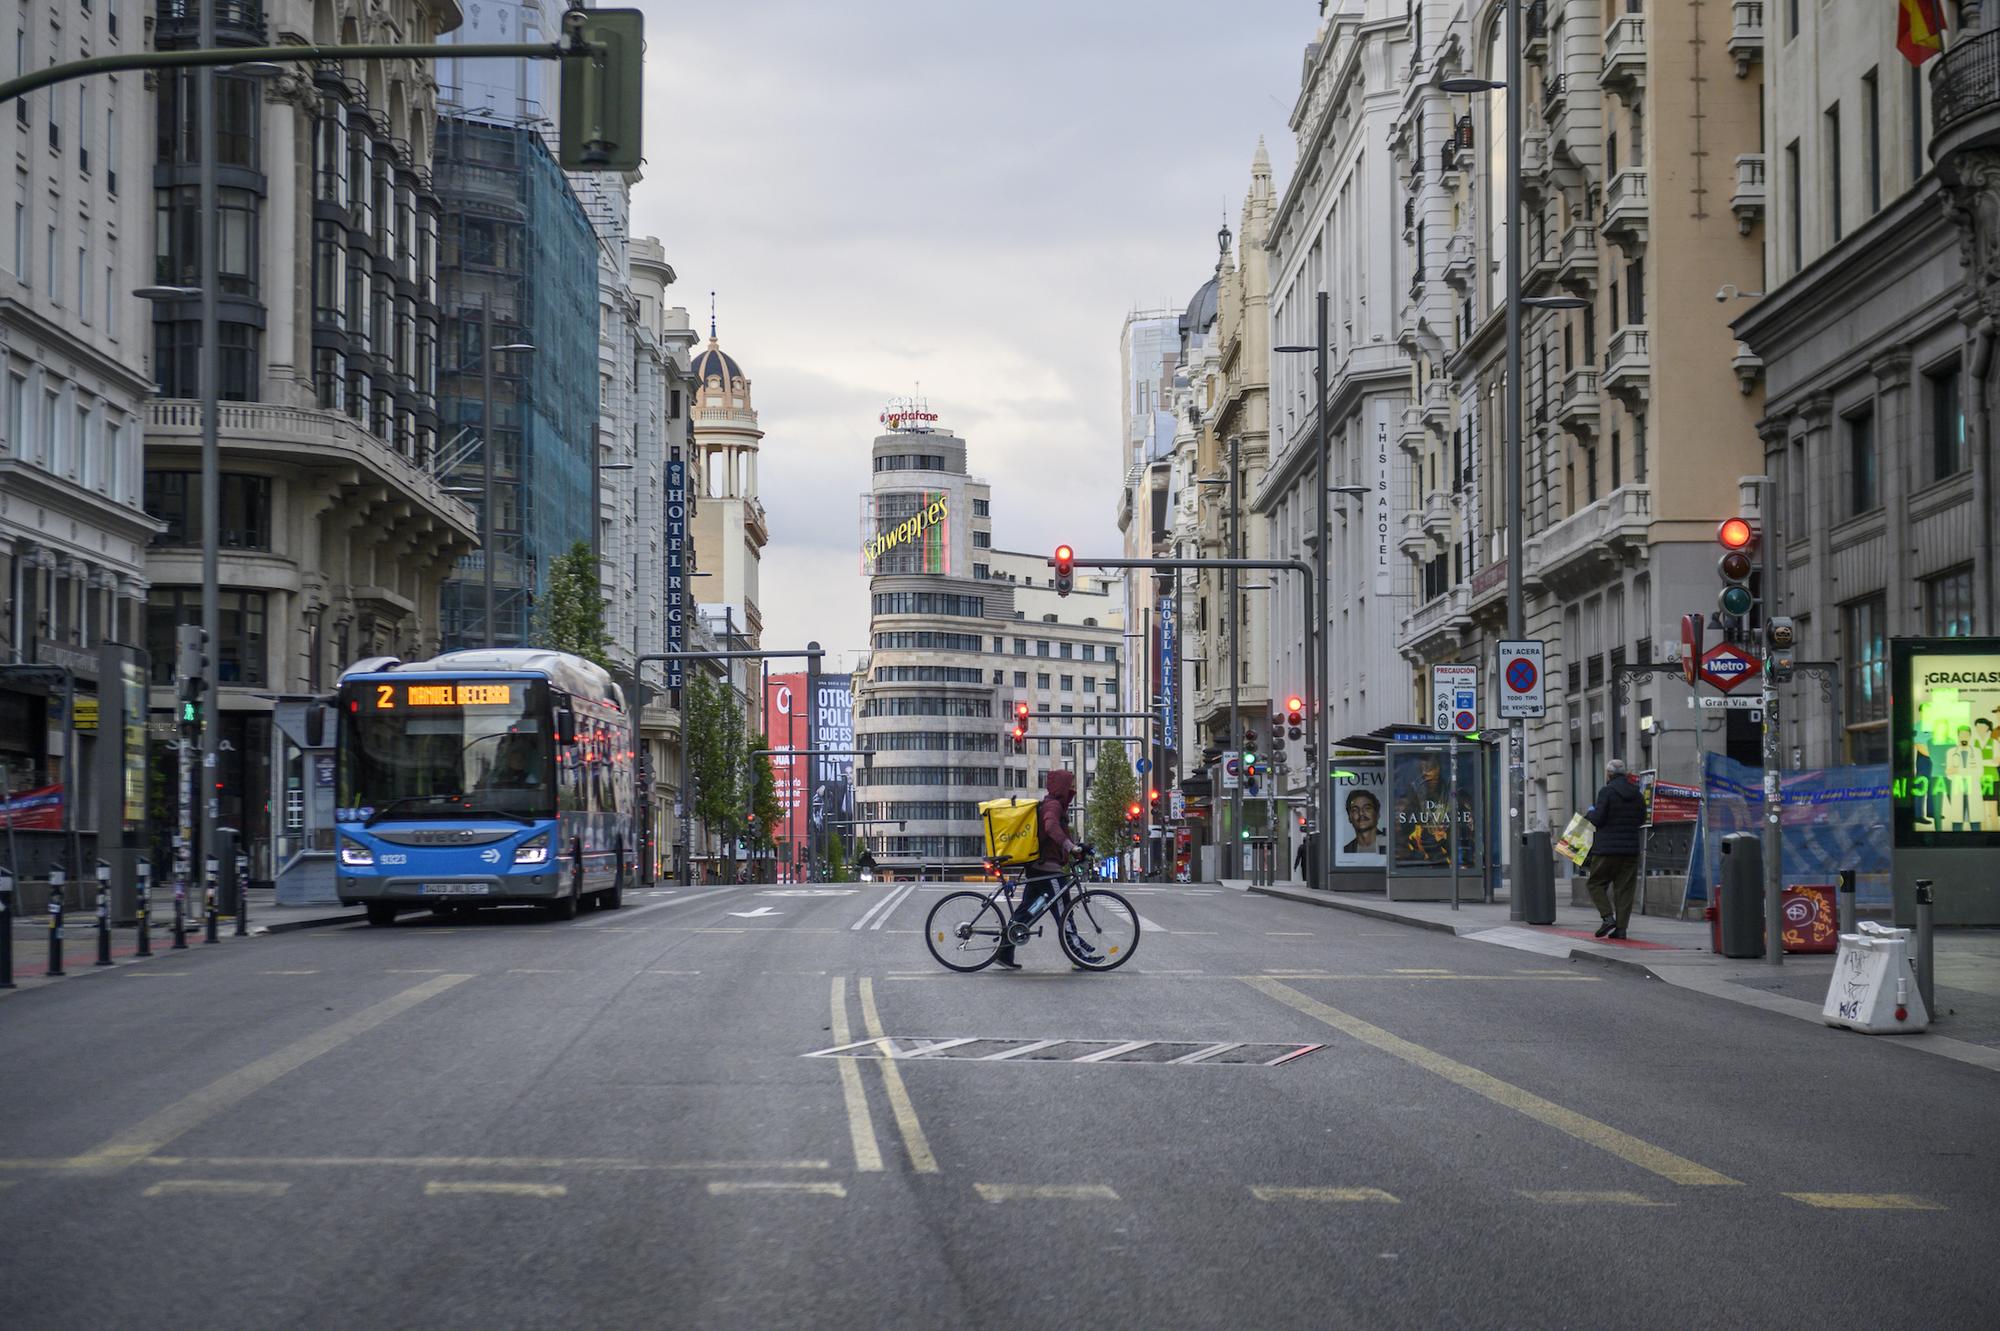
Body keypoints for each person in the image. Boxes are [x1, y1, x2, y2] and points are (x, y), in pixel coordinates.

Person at [992, 769, 1089, 970]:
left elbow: (1058, 834)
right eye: (1070, 784)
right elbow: (1052, 828)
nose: (1072, 788)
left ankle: (1004, 952)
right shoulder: (1053, 806)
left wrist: (1076, 849)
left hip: (1039, 868)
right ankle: (1078, 954)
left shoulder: (1052, 805)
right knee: (1064, 913)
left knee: (1027, 912)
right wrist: (1071, 848)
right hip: (1048, 871)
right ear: (1062, 786)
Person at [1584, 758, 1645, 939]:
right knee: (1624, 889)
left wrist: (1590, 813)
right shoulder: (1637, 794)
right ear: (1625, 774)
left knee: (1595, 883)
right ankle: (1621, 930)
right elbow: (1641, 819)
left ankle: (1607, 917)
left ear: (1609, 774)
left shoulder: (1607, 792)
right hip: (1630, 850)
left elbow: (1598, 819)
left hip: (1607, 850)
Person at [1342, 790, 1382, 855]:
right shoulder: (1345, 851)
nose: (1361, 813)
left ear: (1377, 814)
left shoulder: (1390, 844)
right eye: (1355, 810)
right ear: (1350, 817)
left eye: (1367, 808)